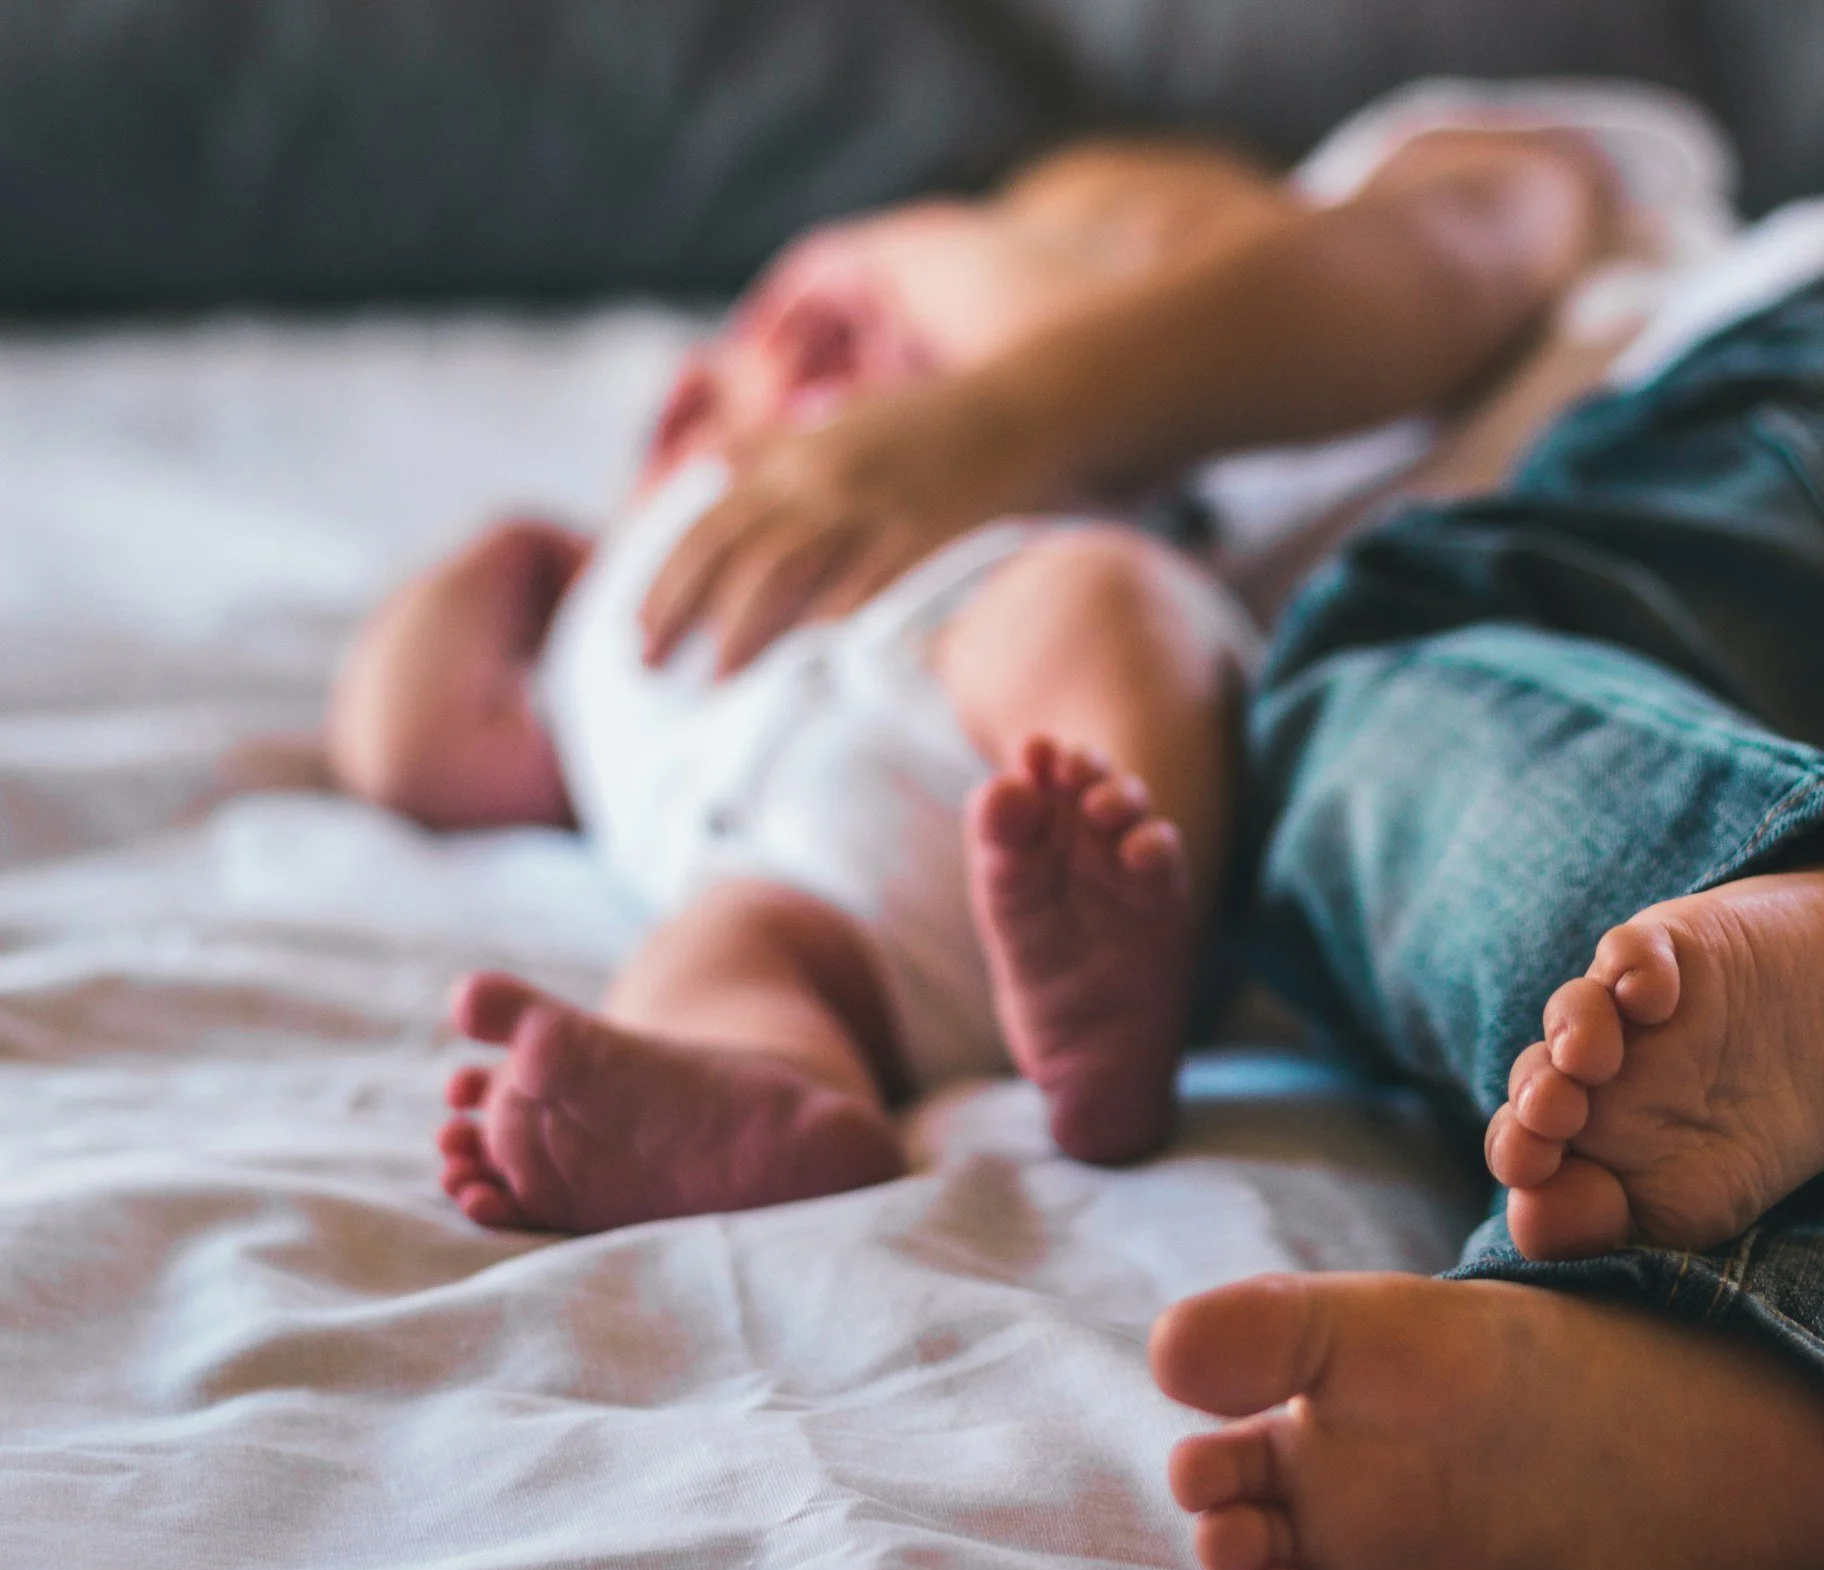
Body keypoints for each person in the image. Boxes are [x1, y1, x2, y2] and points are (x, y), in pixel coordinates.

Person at [605, 82, 1824, 1570]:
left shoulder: (1465, 194)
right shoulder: (1132, 579)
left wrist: (995, 416)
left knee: (1351, 715)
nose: (768, 384)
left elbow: (1447, 242)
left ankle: (1802, 899)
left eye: (867, 302)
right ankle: (1730, 1385)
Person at [324, 93, 1691, 1232]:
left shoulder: (1107, 488)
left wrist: (991, 400)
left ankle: (1123, 922)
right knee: (728, 954)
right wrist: (505, 564)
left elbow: (1235, 343)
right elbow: (425, 749)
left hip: (982, 683)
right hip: (791, 869)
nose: (826, 331)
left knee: (1102, 609)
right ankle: (752, 1095)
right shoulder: (623, 564)